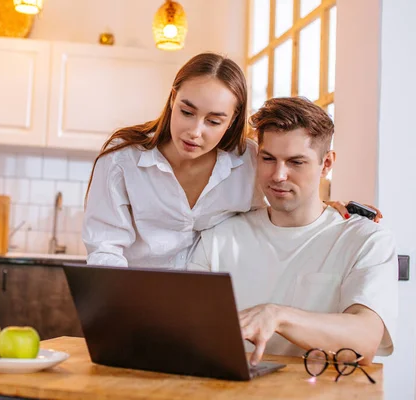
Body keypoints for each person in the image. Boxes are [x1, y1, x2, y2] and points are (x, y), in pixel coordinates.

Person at [82, 52, 378, 269]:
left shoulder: (248, 161)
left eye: (213, 121)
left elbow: (278, 210)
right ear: (173, 99)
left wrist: (327, 211)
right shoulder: (123, 160)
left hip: (214, 306)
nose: (194, 132)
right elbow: (105, 249)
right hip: (136, 302)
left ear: (232, 119)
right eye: (187, 112)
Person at [188, 97, 398, 367]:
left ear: (326, 164)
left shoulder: (366, 240)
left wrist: (277, 316)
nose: (278, 175)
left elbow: (365, 340)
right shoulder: (219, 236)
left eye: (296, 162)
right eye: (268, 158)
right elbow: (187, 328)